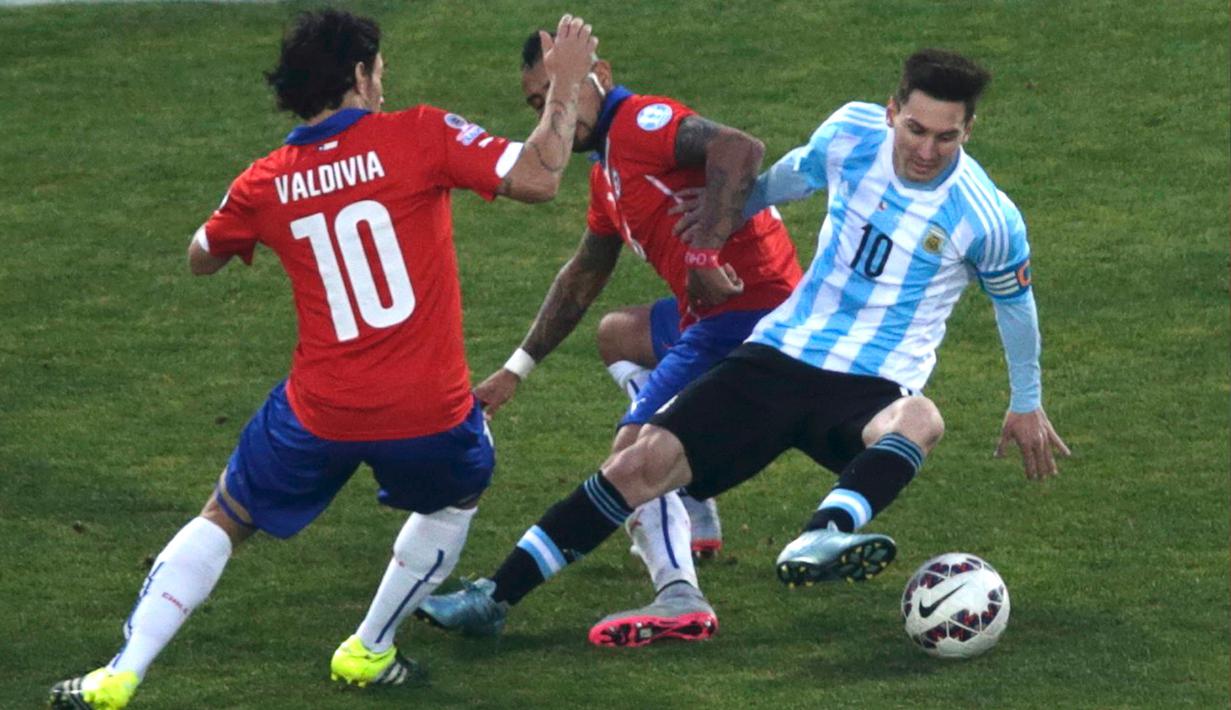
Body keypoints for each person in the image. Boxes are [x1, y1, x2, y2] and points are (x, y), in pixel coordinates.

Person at [417, 48, 1070, 645]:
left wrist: (1026, 402)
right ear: (891, 112)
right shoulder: (850, 133)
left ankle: (824, 535)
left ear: (968, 131)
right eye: (915, 130)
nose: (926, 150)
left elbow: (1015, 307)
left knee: (921, 418)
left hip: (870, 384)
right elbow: (785, 180)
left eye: (946, 136)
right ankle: (492, 598)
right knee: (638, 464)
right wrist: (718, 218)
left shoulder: (985, 216)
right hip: (779, 354)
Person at [49, 10, 598, 709]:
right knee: (457, 493)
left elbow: (200, 258)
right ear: (359, 76)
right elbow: (540, 177)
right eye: (378, 68)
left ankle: (121, 671)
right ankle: (369, 648)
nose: (383, 80)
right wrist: (564, 87)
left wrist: (248, 203)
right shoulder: (419, 133)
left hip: (321, 408)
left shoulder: (264, 181)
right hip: (428, 409)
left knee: (225, 516)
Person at [424, 31, 801, 648]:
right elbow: (583, 275)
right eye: (539, 103)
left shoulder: (641, 125)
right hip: (708, 313)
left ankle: (676, 590)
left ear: (598, 73)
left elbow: (741, 147)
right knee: (619, 336)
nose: (554, 111)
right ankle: (689, 499)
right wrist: (517, 367)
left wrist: (705, 246)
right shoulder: (607, 174)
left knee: (632, 449)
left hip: (747, 313)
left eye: (562, 91)